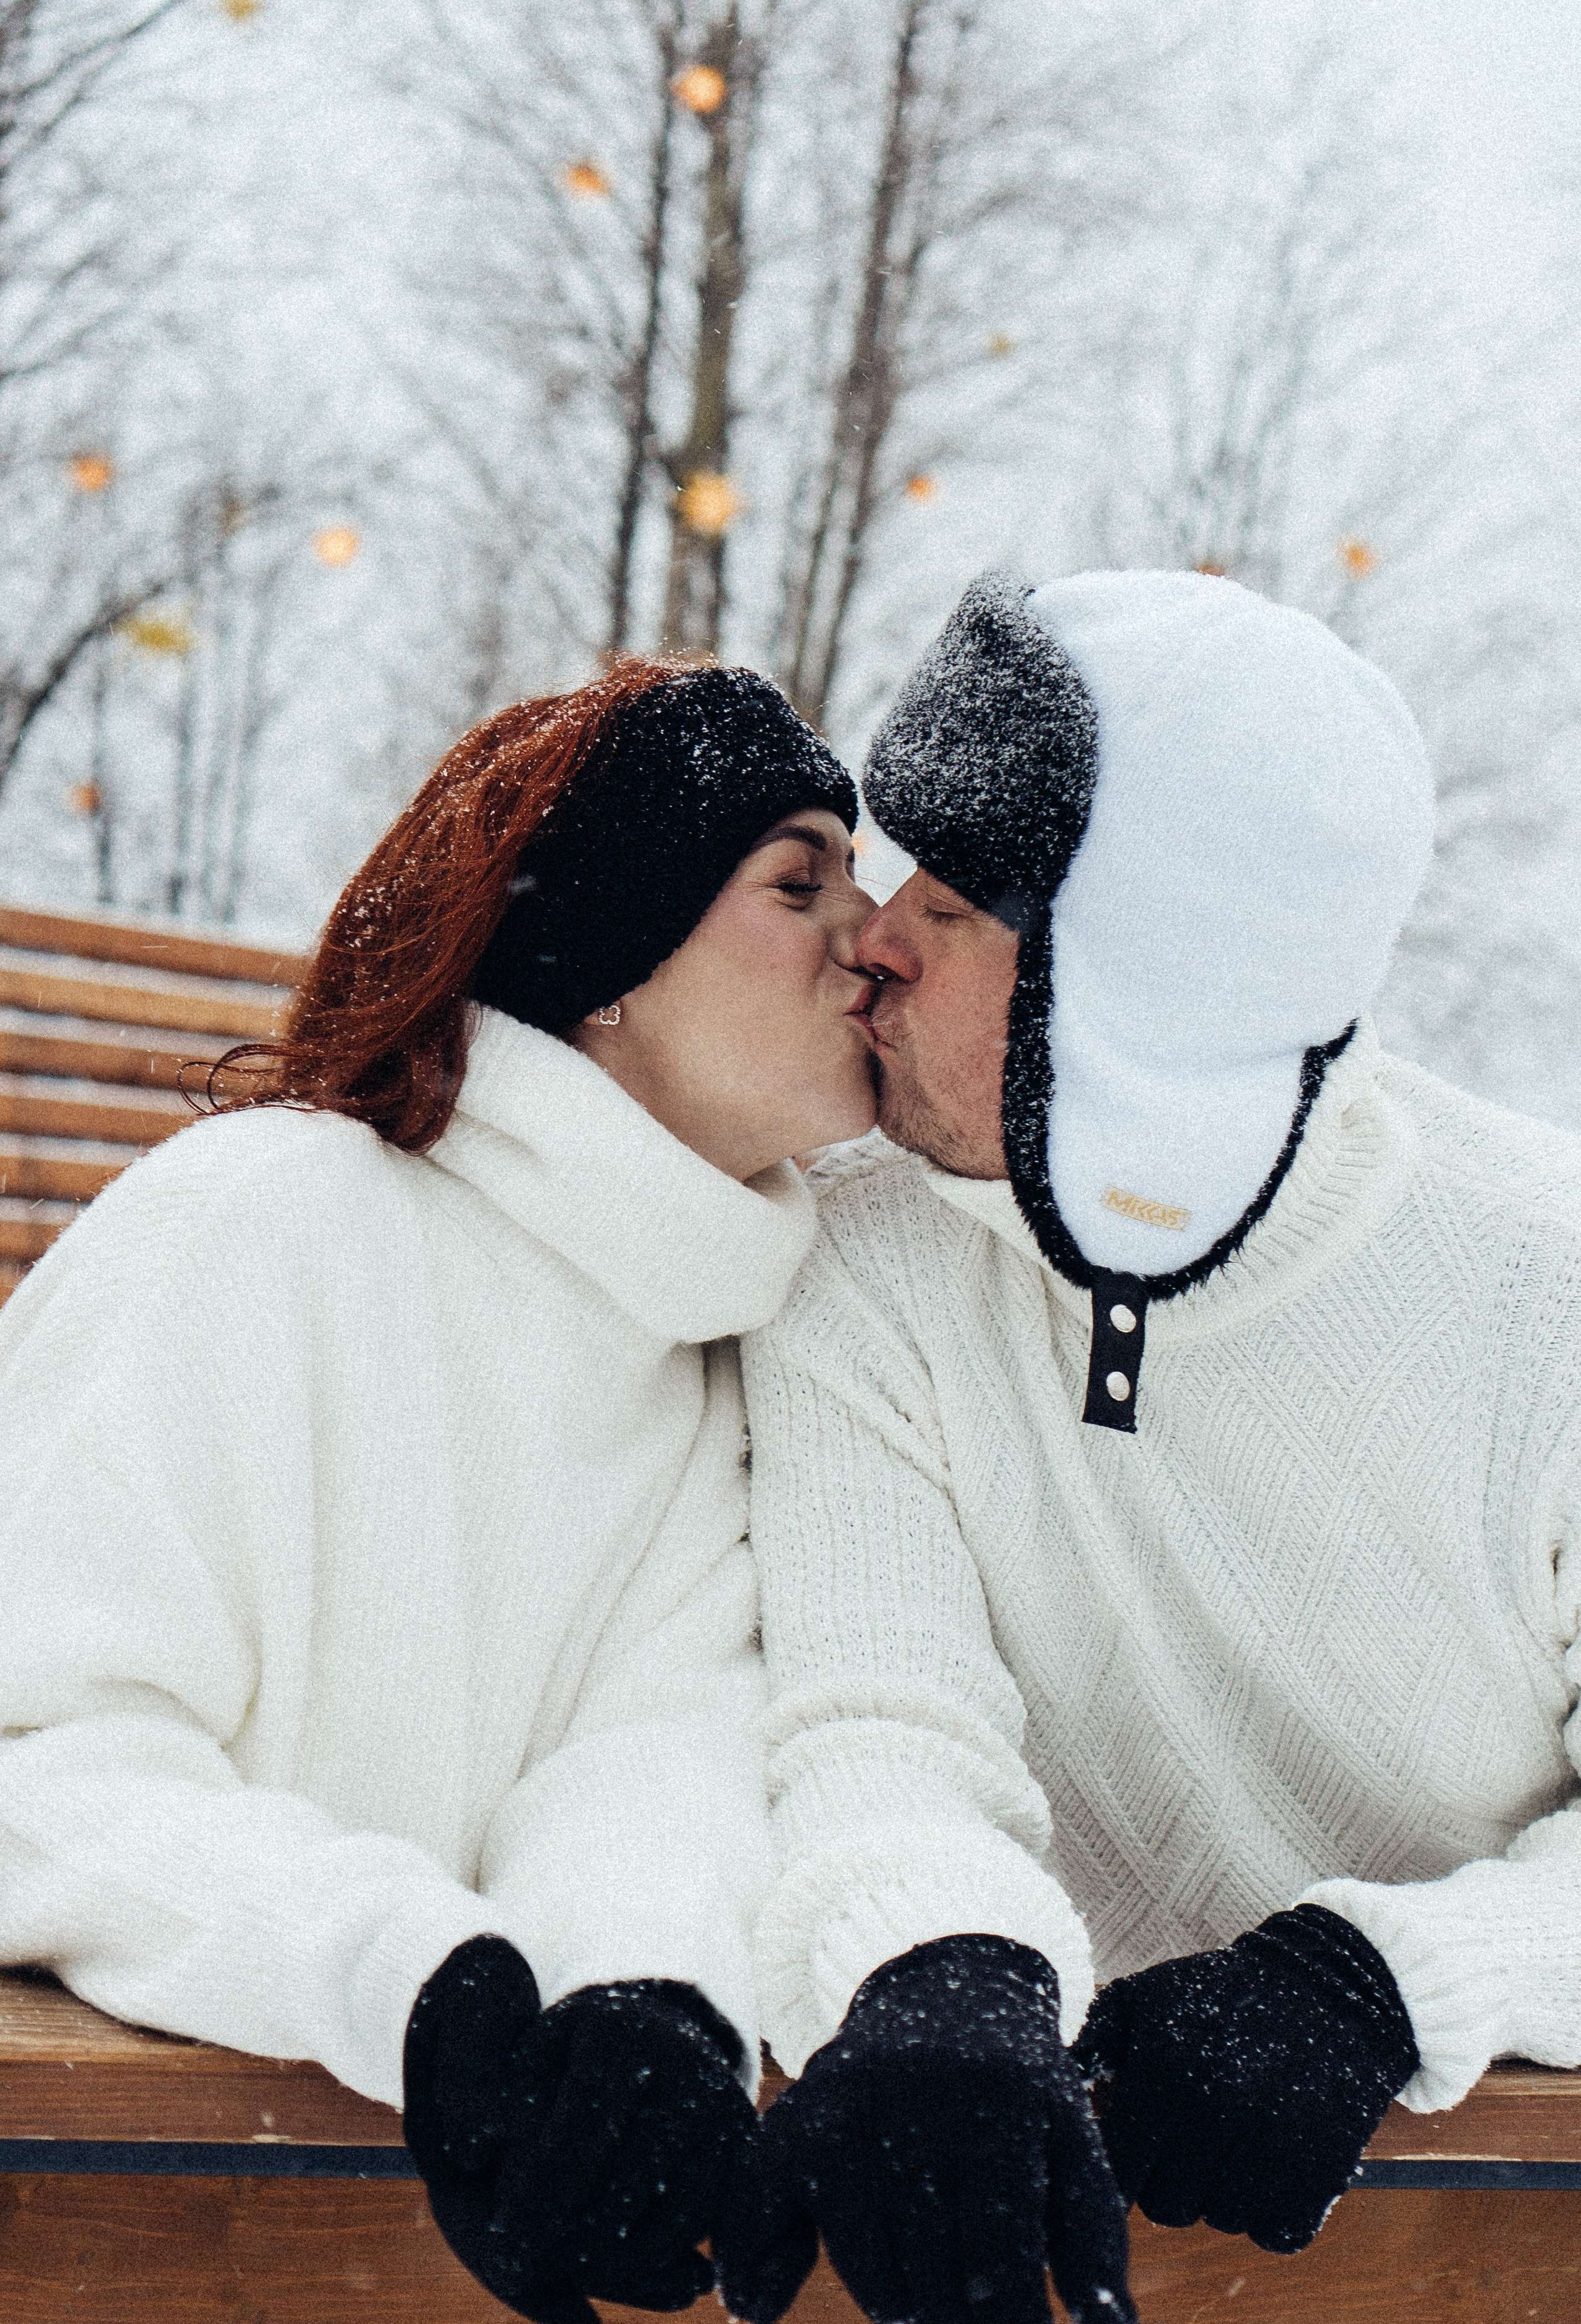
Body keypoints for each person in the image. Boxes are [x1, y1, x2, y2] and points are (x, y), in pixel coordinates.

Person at [715, 571, 1581, 2324]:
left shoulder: (1544, 1287)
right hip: (1036, 2203)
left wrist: (1389, 1978)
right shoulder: (857, 1256)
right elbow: (876, 1714)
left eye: (949, 907)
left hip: (1476, 2215)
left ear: (1140, 992)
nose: (870, 935)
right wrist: (933, 1958)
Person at [0, 656, 877, 2324]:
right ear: (610, 961)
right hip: (106, 2222)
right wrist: (424, 1984)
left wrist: (642, 2000)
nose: (872, 933)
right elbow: (33, 1752)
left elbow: (652, 1762)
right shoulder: (263, 1223)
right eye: (798, 879)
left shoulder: (705, 1353)